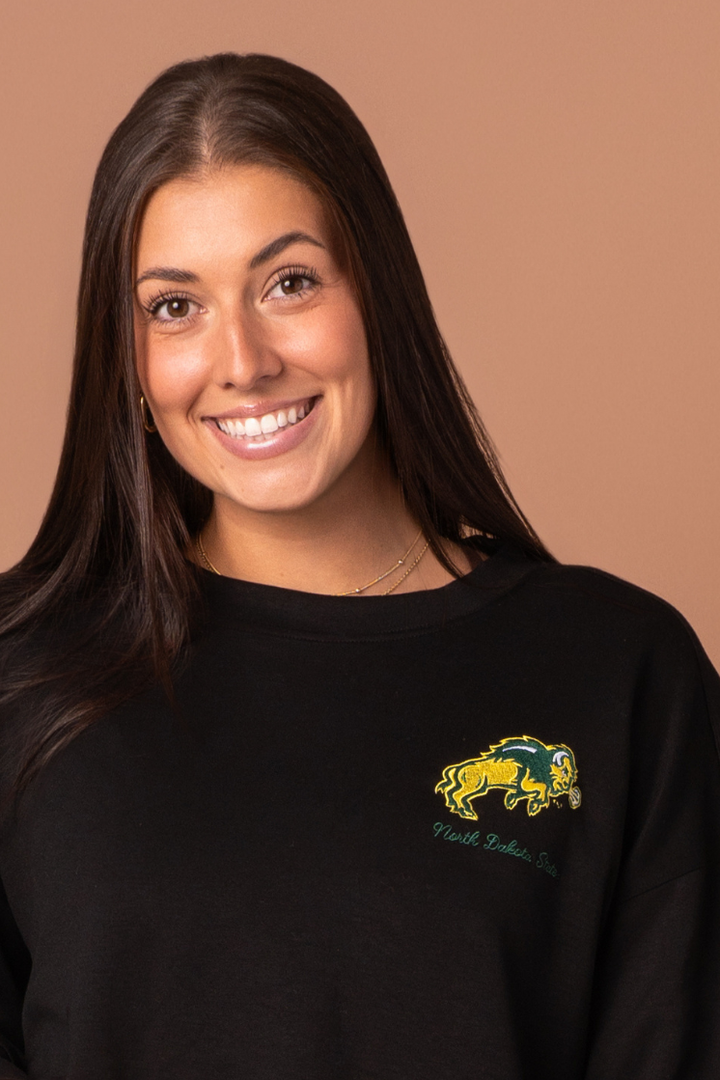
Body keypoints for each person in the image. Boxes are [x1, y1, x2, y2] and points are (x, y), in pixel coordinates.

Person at [0, 52, 718, 1080]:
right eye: (175, 306)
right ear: (125, 354)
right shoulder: (22, 681)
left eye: (289, 282)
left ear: (376, 289)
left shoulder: (619, 674)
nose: (242, 359)